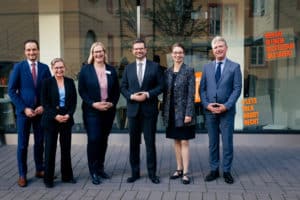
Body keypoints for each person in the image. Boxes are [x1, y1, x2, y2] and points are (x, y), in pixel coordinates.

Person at [8, 39, 51, 187]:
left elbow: (49, 91)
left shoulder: (45, 68)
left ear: (38, 50)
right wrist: (23, 108)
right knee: (22, 145)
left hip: (40, 112)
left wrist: (44, 106)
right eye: (28, 50)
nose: (31, 52)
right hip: (23, 113)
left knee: (40, 142)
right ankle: (22, 174)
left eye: (34, 49)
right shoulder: (18, 67)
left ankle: (39, 169)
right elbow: (11, 91)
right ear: (25, 52)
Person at [200, 36, 242, 184]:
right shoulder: (207, 67)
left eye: (221, 46)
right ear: (213, 50)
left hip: (227, 112)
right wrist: (206, 105)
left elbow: (237, 89)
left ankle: (227, 171)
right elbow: (202, 89)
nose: (218, 49)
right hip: (210, 111)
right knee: (213, 142)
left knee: (227, 142)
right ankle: (214, 170)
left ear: (226, 48)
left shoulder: (235, 67)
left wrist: (227, 105)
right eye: (216, 47)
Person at [120, 39, 164, 184]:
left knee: (150, 143)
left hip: (149, 111)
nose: (139, 51)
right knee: (134, 144)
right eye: (136, 49)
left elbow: (161, 86)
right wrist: (131, 96)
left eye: (141, 48)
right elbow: (123, 87)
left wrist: (148, 94)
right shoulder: (128, 68)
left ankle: (152, 174)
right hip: (133, 111)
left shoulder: (155, 67)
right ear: (133, 51)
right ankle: (135, 173)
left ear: (146, 50)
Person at [78, 42, 120, 185]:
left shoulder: (111, 70)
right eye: (96, 52)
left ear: (104, 52)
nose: (98, 54)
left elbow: (116, 91)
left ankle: (101, 168)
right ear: (92, 54)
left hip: (108, 110)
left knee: (103, 139)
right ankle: (93, 171)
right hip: (92, 110)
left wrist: (112, 103)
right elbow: (82, 91)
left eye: (100, 51)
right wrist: (93, 104)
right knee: (94, 139)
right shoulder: (86, 70)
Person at [40, 58, 77, 188]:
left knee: (66, 149)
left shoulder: (70, 82)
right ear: (52, 69)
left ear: (65, 68)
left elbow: (73, 102)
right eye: (56, 68)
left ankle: (67, 176)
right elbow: (45, 103)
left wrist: (68, 114)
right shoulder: (46, 83)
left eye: (61, 67)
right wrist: (55, 116)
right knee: (50, 149)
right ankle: (48, 179)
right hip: (51, 120)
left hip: (66, 119)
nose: (59, 70)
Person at [162, 43, 195, 185]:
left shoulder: (189, 70)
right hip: (170, 112)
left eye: (180, 52)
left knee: (184, 141)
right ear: (171, 54)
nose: (178, 55)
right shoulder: (167, 72)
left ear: (184, 54)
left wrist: (189, 113)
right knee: (176, 140)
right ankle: (179, 168)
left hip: (183, 112)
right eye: (175, 52)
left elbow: (191, 94)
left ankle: (186, 172)